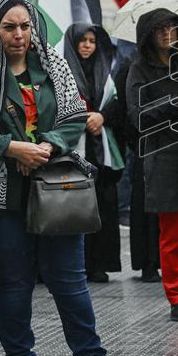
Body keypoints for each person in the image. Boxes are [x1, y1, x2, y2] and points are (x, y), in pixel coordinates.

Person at [0, 0, 120, 356]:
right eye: (9, 27)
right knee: (14, 280)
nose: (19, 34)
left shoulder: (54, 65)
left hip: (55, 187)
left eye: (25, 26)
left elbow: (74, 117)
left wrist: (45, 147)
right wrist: (11, 149)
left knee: (70, 280)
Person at [126, 8, 178, 321]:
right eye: (159, 28)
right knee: (172, 233)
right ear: (148, 34)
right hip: (164, 156)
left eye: (172, 27)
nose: (166, 33)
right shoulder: (138, 68)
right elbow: (138, 116)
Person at [62, 23, 125, 283]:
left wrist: (102, 116)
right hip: (73, 152)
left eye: (92, 41)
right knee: (75, 208)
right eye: (82, 40)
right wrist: (82, 119)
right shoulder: (61, 72)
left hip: (101, 151)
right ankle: (76, 264)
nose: (88, 45)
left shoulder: (106, 73)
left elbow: (117, 105)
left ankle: (99, 263)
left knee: (102, 206)